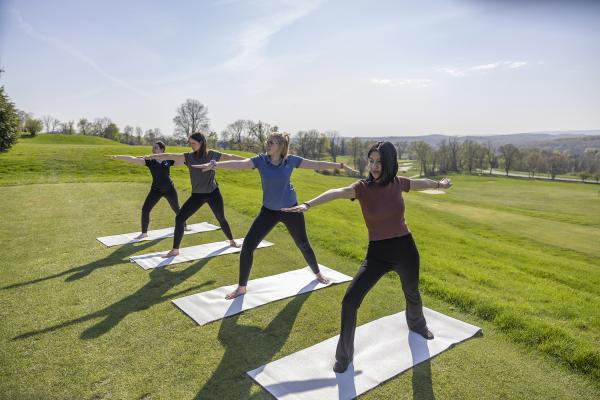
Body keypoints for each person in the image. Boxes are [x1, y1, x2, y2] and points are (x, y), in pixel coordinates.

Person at [282, 141, 452, 373]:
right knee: (350, 302)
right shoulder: (362, 188)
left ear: (389, 163)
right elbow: (337, 192)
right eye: (371, 161)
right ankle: (344, 357)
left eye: (379, 162)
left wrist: (440, 184)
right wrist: (308, 204)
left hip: (405, 249)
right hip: (378, 254)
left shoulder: (397, 183)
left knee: (411, 293)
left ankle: (417, 325)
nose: (373, 166)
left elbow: (420, 183)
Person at [194, 132, 358, 299]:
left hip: (291, 210)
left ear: (280, 146)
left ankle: (317, 274)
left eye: (271, 142)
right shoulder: (260, 160)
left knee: (303, 244)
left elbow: (315, 163)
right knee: (248, 247)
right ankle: (241, 288)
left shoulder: (290, 160)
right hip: (268, 212)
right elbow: (240, 164)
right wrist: (215, 165)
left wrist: (340, 166)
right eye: (267, 141)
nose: (268, 144)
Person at [144, 132, 244, 257]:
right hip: (197, 195)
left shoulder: (212, 154)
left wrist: (250, 162)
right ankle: (175, 250)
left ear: (201, 143)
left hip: (213, 193)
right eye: (190, 143)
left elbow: (229, 157)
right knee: (180, 218)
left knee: (221, 218)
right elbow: (171, 155)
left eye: (193, 143)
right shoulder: (189, 157)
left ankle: (232, 241)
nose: (191, 145)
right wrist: (152, 156)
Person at [111, 141, 183, 239]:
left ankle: (184, 225)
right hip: (156, 190)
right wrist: (118, 156)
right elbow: (133, 159)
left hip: (169, 189)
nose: (153, 149)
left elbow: (183, 160)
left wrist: (192, 159)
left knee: (176, 209)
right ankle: (144, 233)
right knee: (145, 209)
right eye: (153, 148)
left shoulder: (168, 159)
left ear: (162, 149)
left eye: (156, 148)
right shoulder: (150, 161)